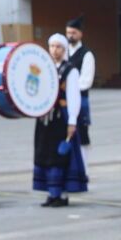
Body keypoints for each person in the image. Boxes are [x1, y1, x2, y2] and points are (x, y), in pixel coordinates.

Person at [33, 35, 87, 209]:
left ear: (64, 50)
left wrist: (72, 121)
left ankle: (61, 194)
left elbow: (74, 97)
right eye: (52, 46)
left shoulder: (70, 70)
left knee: (59, 156)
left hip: (61, 119)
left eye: (58, 47)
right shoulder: (44, 68)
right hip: (45, 119)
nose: (54, 50)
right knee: (45, 153)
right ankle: (51, 192)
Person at [61, 18, 96, 147]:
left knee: (81, 136)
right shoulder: (63, 53)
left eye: (73, 33)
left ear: (81, 34)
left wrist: (68, 88)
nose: (70, 36)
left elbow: (86, 81)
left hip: (81, 100)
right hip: (64, 100)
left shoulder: (86, 55)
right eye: (68, 33)